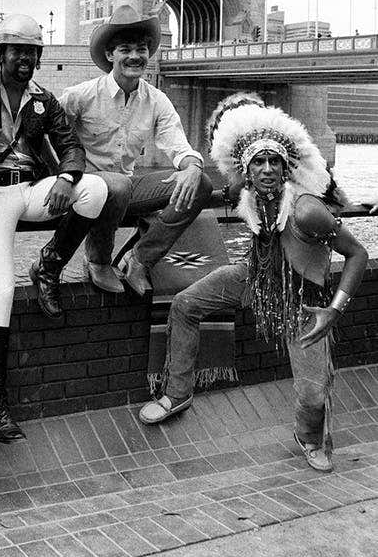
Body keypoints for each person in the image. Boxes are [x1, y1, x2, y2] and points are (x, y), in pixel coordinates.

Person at [138, 93, 368, 474]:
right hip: (254, 278)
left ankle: (309, 437)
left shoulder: (307, 210)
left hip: (303, 302)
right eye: (258, 161)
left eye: (274, 161)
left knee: (312, 391)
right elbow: (208, 195)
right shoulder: (246, 193)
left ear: (286, 166)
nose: (266, 169)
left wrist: (333, 309)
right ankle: (177, 392)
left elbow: (357, 253)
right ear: (246, 169)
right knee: (184, 304)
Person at [0, 14, 108, 443]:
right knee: (3, 292)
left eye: (33, 52)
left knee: (95, 191)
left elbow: (69, 144)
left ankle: (48, 264)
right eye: (18, 52)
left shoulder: (43, 99)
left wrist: (68, 178)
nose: (27, 60)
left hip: (31, 190)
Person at [30, 4, 212, 318]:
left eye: (141, 49)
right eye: (125, 49)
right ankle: (99, 261)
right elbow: (41, 128)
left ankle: (138, 261)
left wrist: (192, 166)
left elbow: (177, 144)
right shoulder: (81, 95)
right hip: (85, 190)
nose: (134, 57)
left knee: (201, 183)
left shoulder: (157, 100)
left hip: (127, 189)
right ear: (111, 54)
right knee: (112, 185)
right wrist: (57, 171)